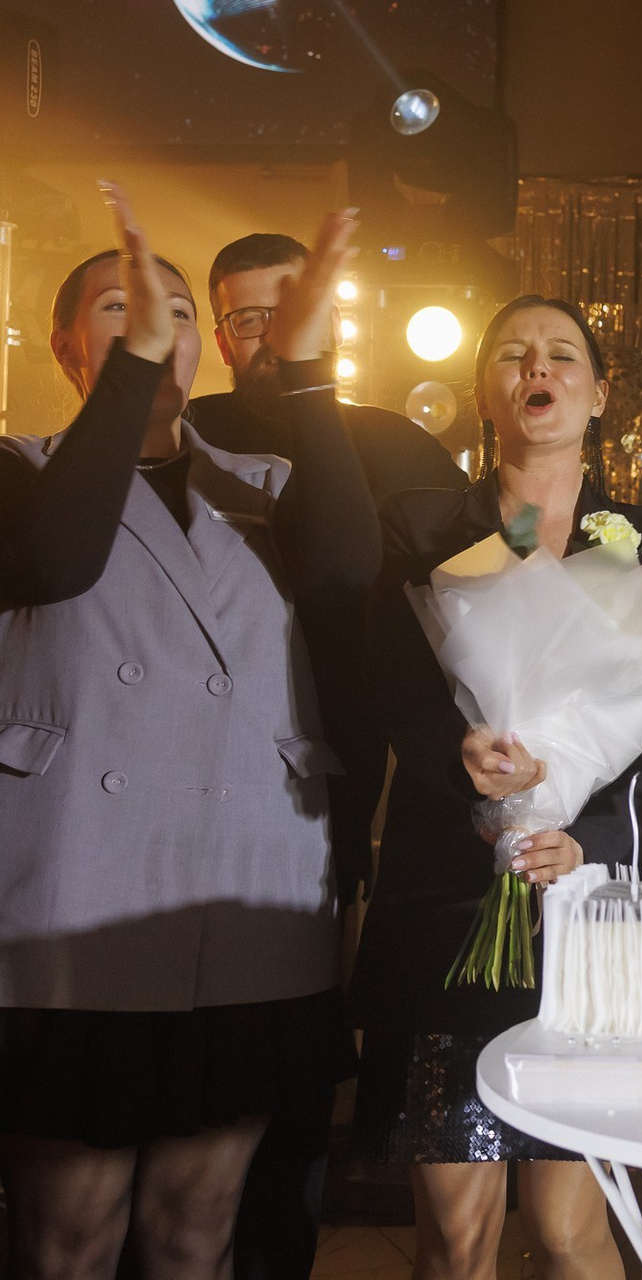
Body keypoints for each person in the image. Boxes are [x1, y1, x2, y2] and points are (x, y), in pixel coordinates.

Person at [0, 187, 377, 1278]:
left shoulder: (265, 484)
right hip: (81, 900)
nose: (155, 327)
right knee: (67, 1234)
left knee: (198, 1229)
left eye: (174, 311)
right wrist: (131, 380)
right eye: (119, 307)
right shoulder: (20, 472)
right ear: (69, 348)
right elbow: (60, 558)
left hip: (245, 885)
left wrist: (308, 374)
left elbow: (349, 569)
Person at [349, 294, 642, 1280]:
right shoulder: (421, 527)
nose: (538, 368)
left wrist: (591, 840)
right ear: (484, 394)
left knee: (571, 1231)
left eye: (561, 354)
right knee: (456, 1239)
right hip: (449, 907)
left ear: (599, 393)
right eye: (513, 354)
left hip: (585, 918)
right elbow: (387, 689)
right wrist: (459, 759)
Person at [191, 232, 471, 1280]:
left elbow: (470, 613)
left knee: (297, 1061)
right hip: (182, 787)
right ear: (219, 333)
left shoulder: (398, 448)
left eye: (294, 306)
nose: (274, 333)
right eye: (249, 315)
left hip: (346, 791)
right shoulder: (181, 433)